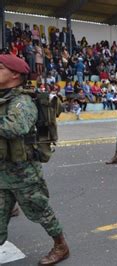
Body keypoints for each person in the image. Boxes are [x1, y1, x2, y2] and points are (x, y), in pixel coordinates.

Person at [0, 54, 69, 265]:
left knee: (41, 210)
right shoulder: (4, 98)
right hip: (2, 171)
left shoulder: (22, 101)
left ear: (14, 74)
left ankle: (61, 245)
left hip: (23, 173)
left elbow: (16, 127)